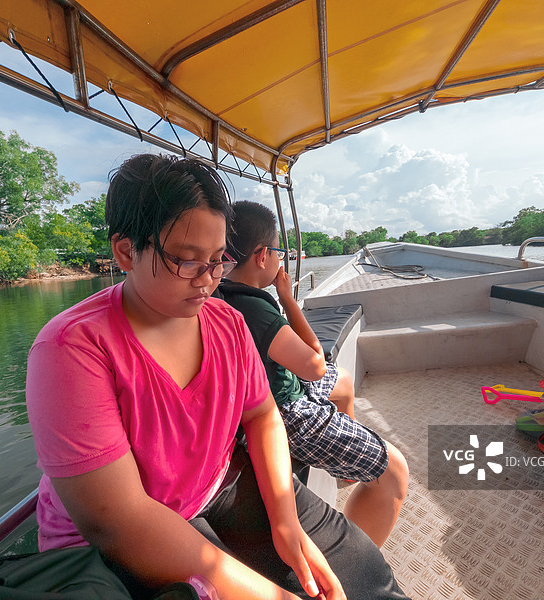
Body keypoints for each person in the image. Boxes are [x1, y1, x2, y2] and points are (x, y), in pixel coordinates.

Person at [25, 154, 410, 600]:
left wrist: (286, 522)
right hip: (116, 543)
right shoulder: (72, 349)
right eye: (186, 261)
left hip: (214, 486)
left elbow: (263, 414)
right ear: (126, 251)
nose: (208, 282)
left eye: (216, 260)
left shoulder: (226, 321)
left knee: (370, 580)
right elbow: (119, 520)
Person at [219, 201, 409, 548]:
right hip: (286, 411)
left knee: (344, 383)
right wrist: (288, 299)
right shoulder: (254, 308)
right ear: (262, 256)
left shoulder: (225, 294)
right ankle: (351, 559)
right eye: (279, 252)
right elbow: (315, 363)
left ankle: (346, 468)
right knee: (394, 473)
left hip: (277, 390)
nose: (281, 260)